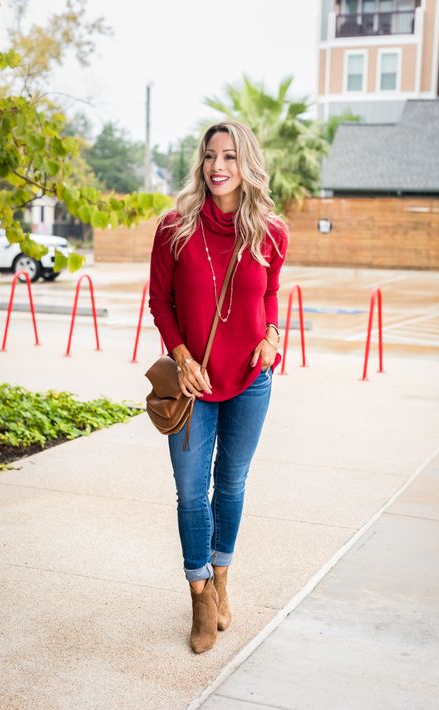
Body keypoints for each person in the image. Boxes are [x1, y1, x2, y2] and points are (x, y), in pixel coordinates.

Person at [148, 120, 288, 654]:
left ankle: (223, 575)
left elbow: (271, 291)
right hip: (194, 383)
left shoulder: (270, 231)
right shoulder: (175, 227)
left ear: (246, 162)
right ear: (201, 163)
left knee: (230, 485)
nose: (218, 167)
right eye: (210, 156)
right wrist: (181, 357)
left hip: (252, 380)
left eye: (229, 156)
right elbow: (161, 302)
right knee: (190, 492)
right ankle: (200, 595)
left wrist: (273, 335)